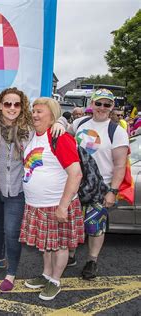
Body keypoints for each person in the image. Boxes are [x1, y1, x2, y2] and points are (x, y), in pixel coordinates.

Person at [0, 88, 66, 293]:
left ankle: (11, 273)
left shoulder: (30, 126)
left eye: (17, 104)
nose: (12, 108)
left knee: (12, 232)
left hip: (18, 190)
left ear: (22, 107)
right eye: (7, 104)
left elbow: (56, 123)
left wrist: (61, 122)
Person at [20, 97, 84, 301]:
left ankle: (55, 280)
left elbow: (76, 173)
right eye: (34, 110)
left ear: (52, 115)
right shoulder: (34, 135)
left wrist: (63, 206)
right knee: (46, 244)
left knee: (61, 245)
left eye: (40, 111)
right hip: (37, 205)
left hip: (57, 204)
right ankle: (46, 274)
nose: (35, 114)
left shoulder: (60, 138)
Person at [68, 89, 129, 280]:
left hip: (101, 186)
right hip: (76, 182)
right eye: (99, 103)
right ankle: (70, 255)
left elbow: (119, 165)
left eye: (107, 105)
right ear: (92, 104)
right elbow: (65, 141)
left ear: (112, 107)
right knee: (72, 222)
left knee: (96, 226)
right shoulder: (79, 123)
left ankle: (92, 261)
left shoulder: (116, 131)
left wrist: (113, 191)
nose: (102, 108)